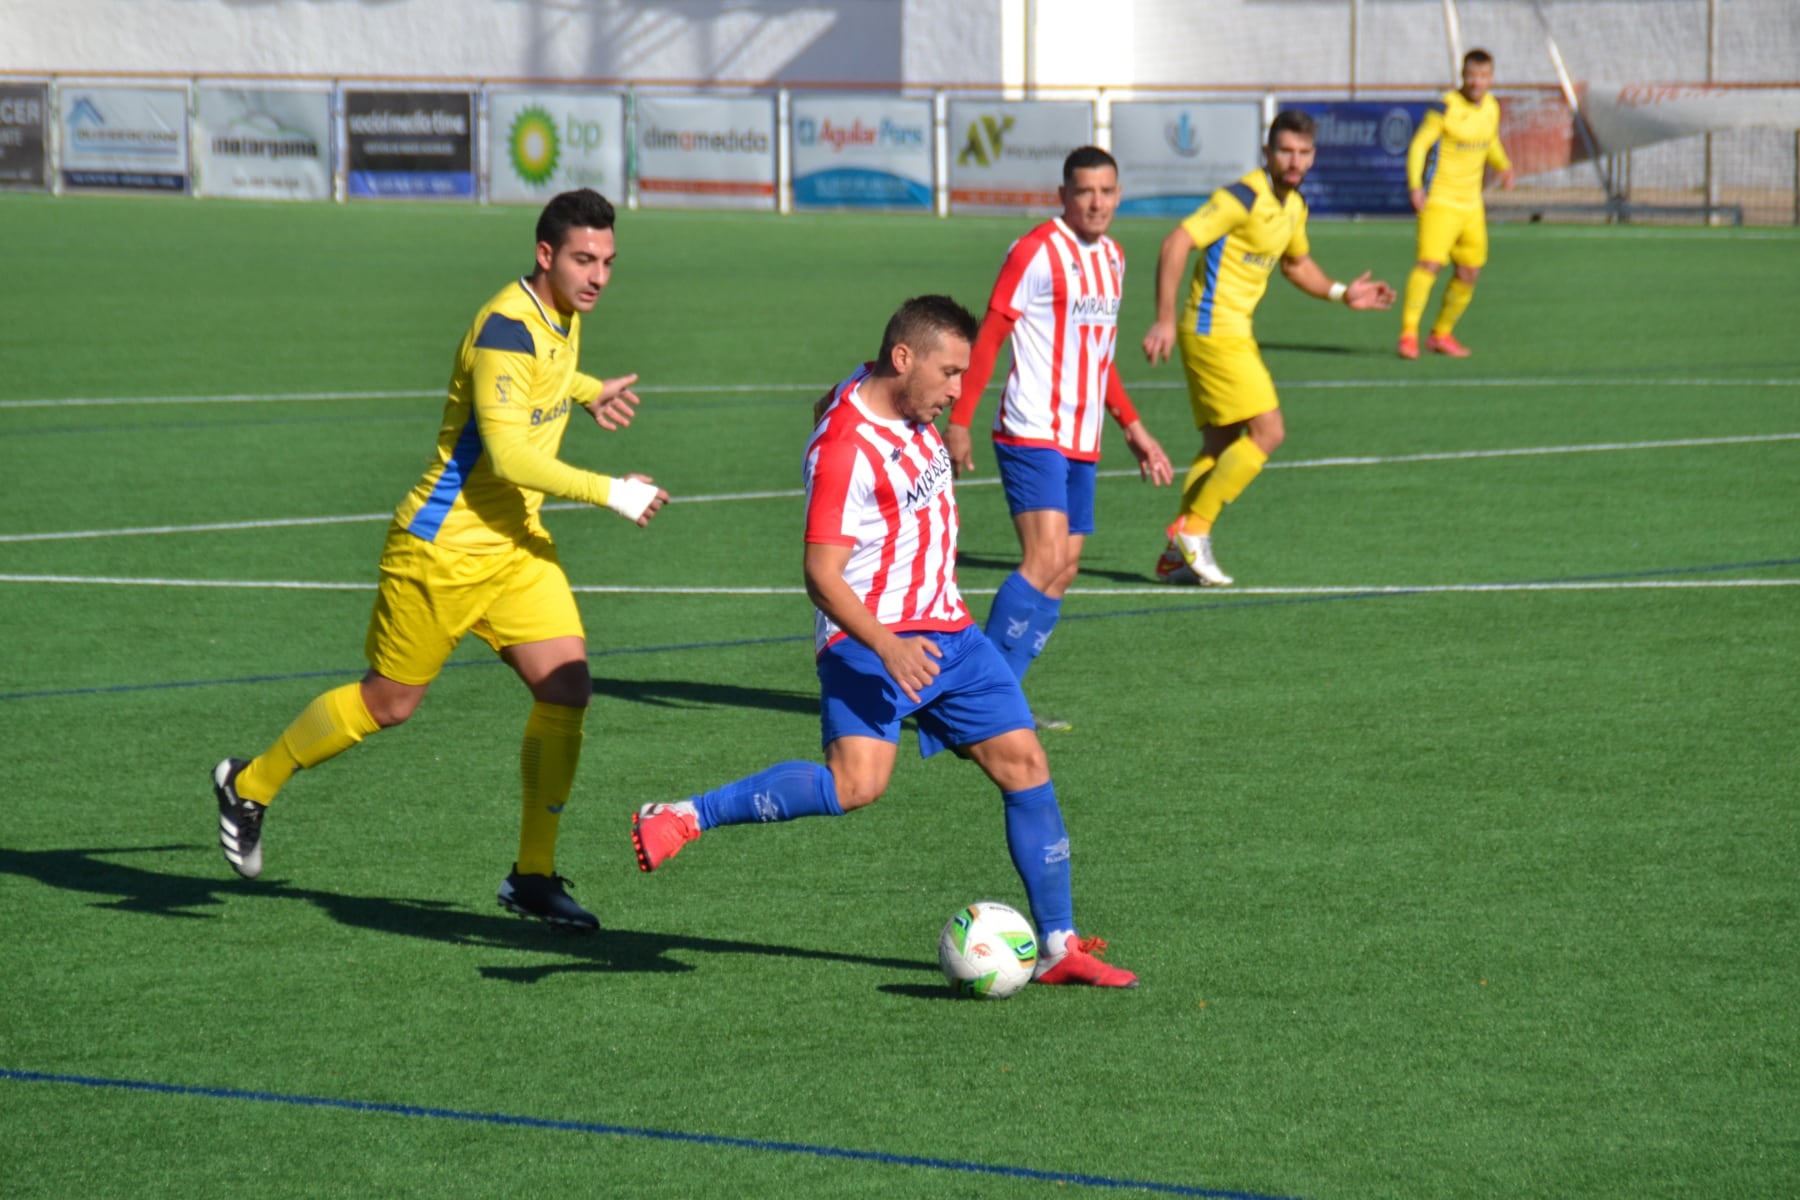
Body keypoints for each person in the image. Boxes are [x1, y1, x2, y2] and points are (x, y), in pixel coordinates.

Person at [630, 295, 1137, 989]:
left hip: (950, 628)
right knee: (855, 785)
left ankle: (1057, 945)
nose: (959, 391)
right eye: (949, 374)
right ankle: (686, 815)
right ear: (905, 360)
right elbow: (820, 574)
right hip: (870, 641)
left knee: (1025, 764)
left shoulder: (868, 382)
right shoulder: (846, 451)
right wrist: (890, 646)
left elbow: (827, 397)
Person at [211, 188, 668, 932]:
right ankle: (250, 783)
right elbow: (513, 452)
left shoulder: (563, 314)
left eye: (609, 261)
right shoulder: (503, 327)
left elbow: (543, 380)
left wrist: (585, 391)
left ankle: (533, 876)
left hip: (515, 547)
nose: (599, 276)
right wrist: (608, 490)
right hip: (441, 548)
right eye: (585, 260)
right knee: (389, 704)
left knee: (567, 689)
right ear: (546, 255)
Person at [944, 146, 1173, 732]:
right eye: (1084, 192)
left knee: (1065, 567)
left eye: (1107, 192)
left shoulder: (1116, 258)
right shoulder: (1035, 250)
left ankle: (999, 699)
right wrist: (960, 419)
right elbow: (990, 337)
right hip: (1031, 427)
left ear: (1119, 195)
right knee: (1042, 558)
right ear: (1063, 195)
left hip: (1082, 436)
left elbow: (1100, 358)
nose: (1097, 203)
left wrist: (1135, 429)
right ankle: (976, 702)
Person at [1142, 110, 1396, 586]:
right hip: (1212, 329)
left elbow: (1297, 265)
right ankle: (1193, 531)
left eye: (1303, 153)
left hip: (1233, 331)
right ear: (1267, 152)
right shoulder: (1242, 197)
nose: (1294, 160)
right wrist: (1162, 318)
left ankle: (1175, 556)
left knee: (1220, 444)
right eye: (1285, 151)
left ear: (1313, 156)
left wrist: (1344, 293)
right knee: (1269, 431)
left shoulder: (1294, 207)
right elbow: (1176, 243)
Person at [1398, 48, 1515, 359]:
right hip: (1441, 202)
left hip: (1471, 207)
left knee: (1470, 271)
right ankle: (1408, 334)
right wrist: (1415, 186)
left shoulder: (1491, 107)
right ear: (1463, 76)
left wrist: (1503, 165)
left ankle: (1441, 334)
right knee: (1430, 265)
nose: (1477, 82)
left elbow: (1490, 140)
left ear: (1491, 78)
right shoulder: (1445, 108)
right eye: (1471, 75)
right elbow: (1419, 145)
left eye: (1483, 76)